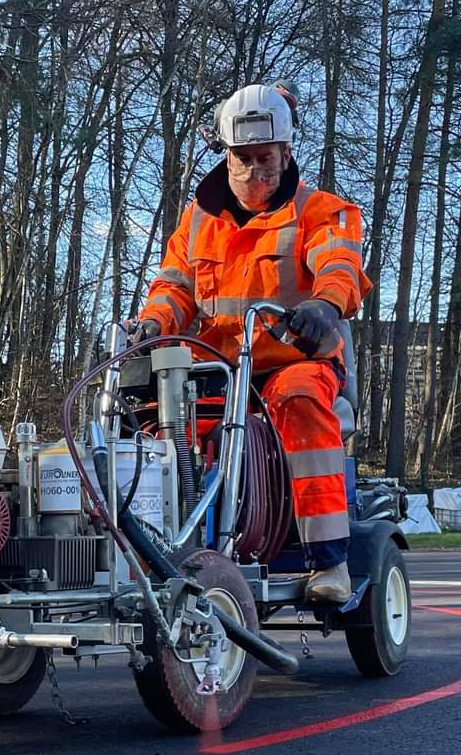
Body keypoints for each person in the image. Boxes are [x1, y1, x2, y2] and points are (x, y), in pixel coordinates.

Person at [133, 83, 370, 602]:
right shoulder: (198, 221)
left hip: (293, 359)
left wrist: (324, 305)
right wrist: (152, 324)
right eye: (243, 158)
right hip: (218, 364)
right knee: (147, 419)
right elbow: (174, 287)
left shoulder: (322, 211)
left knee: (300, 401)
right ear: (227, 154)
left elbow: (340, 265)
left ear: (286, 152)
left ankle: (329, 563)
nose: (254, 170)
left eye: (265, 157)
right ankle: (153, 545)